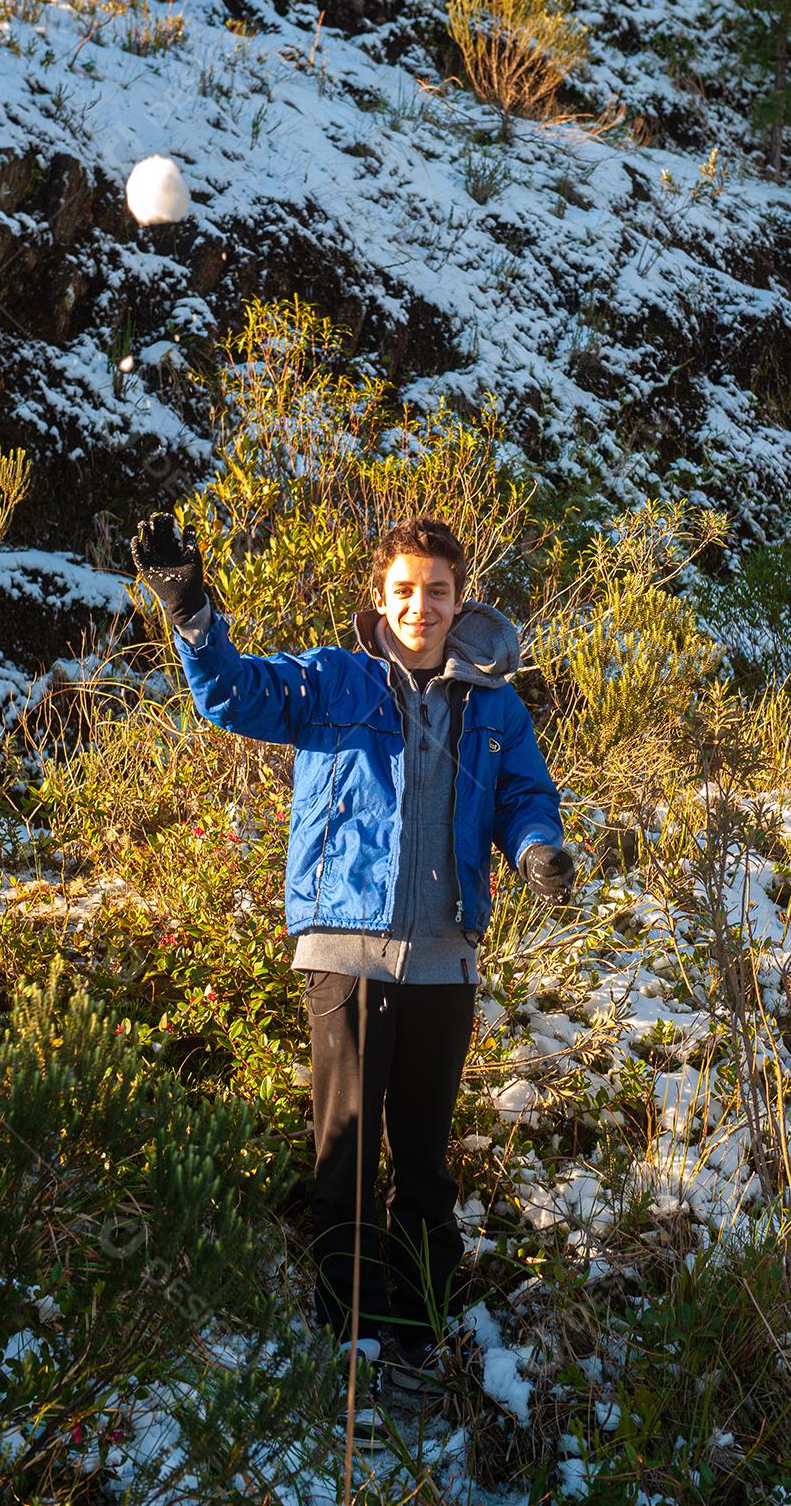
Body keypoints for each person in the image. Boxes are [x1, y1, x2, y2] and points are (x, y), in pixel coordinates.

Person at [130, 512, 574, 1399]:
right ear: (380, 598)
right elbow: (232, 693)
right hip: (345, 955)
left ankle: (415, 1342)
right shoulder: (332, 680)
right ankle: (347, 1340)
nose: (421, 605)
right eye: (404, 590)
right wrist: (190, 610)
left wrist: (536, 848)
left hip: (445, 961)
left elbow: (526, 793)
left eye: (438, 591)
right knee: (343, 1158)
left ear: (460, 596)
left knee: (425, 1161)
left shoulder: (494, 699)